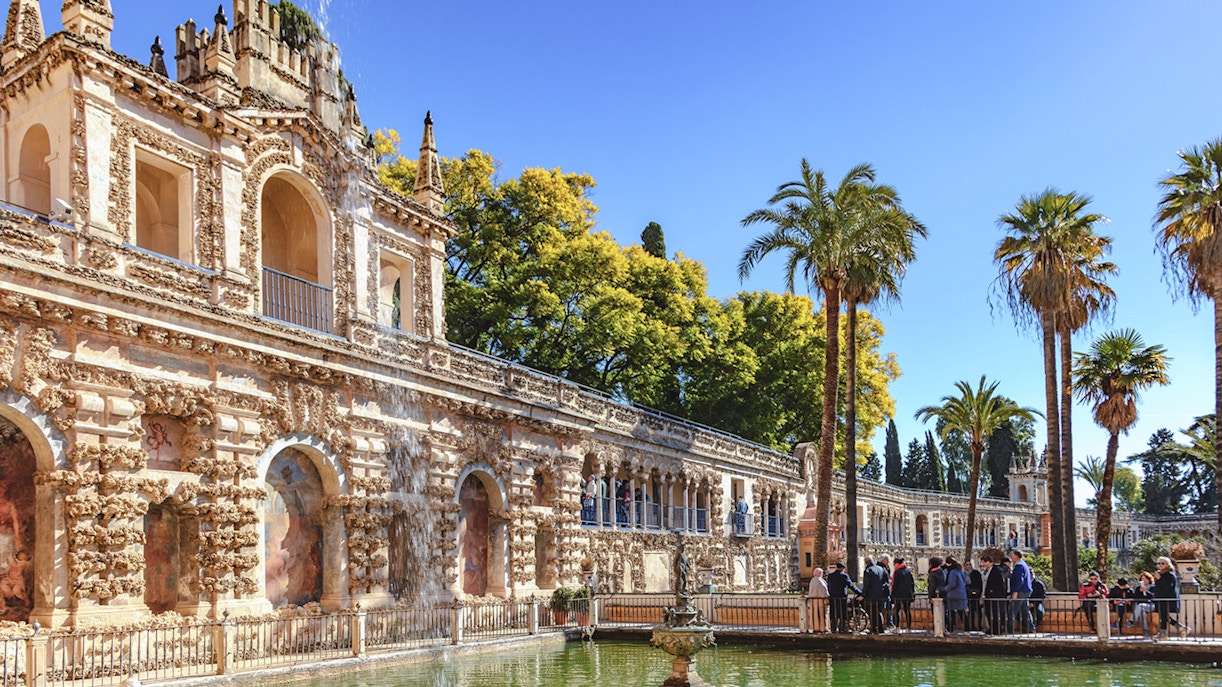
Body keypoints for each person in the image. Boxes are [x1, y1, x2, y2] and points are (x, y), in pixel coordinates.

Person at [1152, 556, 1190, 639]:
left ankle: (1164, 634)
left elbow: (1167, 586)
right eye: (1159, 563)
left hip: (1167, 598)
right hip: (1161, 598)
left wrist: (1159, 579)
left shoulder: (1170, 574)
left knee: (1164, 616)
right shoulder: (1160, 573)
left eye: (1163, 563)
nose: (1160, 565)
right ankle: (1180, 628)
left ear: (1168, 564)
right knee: (1164, 616)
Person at [827, 562, 861, 633]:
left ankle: (833, 629)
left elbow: (828, 586)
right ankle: (842, 629)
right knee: (842, 613)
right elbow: (851, 586)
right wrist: (860, 593)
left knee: (833, 613)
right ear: (843, 568)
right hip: (842, 598)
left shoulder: (830, 575)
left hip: (833, 598)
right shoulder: (844, 576)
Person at [860, 556, 890, 634]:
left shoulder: (867, 570)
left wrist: (863, 595)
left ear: (866, 562)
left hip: (870, 596)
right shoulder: (880, 569)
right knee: (877, 612)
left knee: (871, 613)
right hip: (880, 596)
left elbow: (866, 585)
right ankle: (880, 629)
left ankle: (874, 629)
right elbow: (885, 582)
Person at [980, 554, 1009, 635]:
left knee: (995, 613)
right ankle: (992, 628)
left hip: (995, 595)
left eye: (983, 562)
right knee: (988, 612)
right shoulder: (986, 571)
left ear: (988, 562)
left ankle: (997, 629)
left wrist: (992, 590)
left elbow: (999, 582)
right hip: (987, 595)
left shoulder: (996, 570)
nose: (983, 564)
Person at [1009, 550, 1034, 633]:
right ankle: (1031, 628)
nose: (1011, 558)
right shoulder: (1024, 564)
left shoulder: (1019, 566)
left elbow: (1020, 580)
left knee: (1013, 609)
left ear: (1016, 556)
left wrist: (1015, 591)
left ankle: (1009, 628)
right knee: (1025, 610)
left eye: (1012, 556)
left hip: (1020, 591)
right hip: (1026, 590)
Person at [943, 556, 968, 633]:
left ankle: (950, 629)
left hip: (953, 595)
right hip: (962, 594)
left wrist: (944, 589)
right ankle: (968, 628)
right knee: (962, 612)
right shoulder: (960, 570)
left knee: (951, 613)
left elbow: (952, 584)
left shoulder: (952, 572)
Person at [891, 557, 915, 631]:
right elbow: (912, 583)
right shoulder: (908, 571)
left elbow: (895, 585)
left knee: (896, 610)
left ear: (896, 563)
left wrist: (892, 595)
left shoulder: (897, 572)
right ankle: (908, 627)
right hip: (907, 594)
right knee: (907, 610)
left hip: (898, 595)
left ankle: (897, 627)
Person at [807, 567, 829, 632]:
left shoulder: (812, 581)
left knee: (814, 614)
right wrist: (827, 599)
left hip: (813, 601)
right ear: (820, 573)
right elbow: (824, 592)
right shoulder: (820, 581)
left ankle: (815, 627)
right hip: (820, 601)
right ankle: (822, 627)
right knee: (821, 615)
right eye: (822, 573)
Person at [965, 561, 984, 631]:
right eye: (967, 565)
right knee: (971, 612)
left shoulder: (976, 573)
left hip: (977, 595)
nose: (968, 566)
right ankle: (972, 626)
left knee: (978, 611)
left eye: (970, 564)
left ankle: (979, 626)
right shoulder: (964, 574)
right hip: (968, 596)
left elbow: (980, 583)